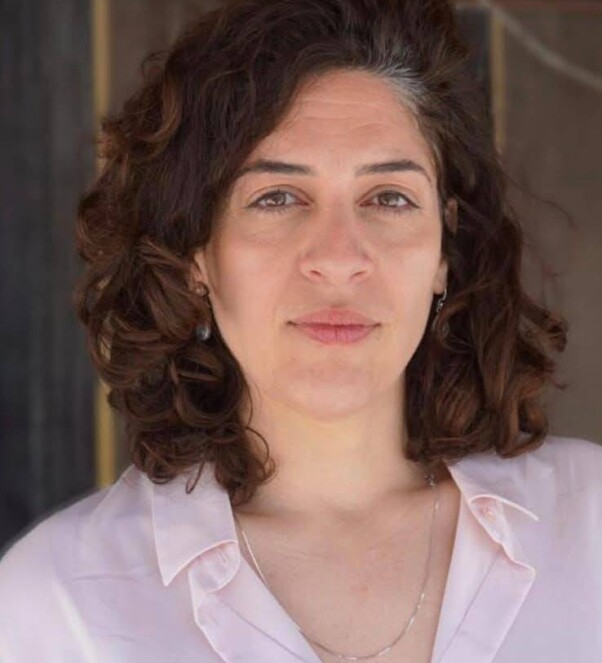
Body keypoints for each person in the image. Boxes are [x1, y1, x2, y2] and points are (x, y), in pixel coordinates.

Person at [1, 0, 601, 661]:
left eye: (389, 198)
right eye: (277, 198)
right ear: (196, 256)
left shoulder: (590, 527)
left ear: (443, 252)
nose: (339, 258)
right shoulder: (60, 603)